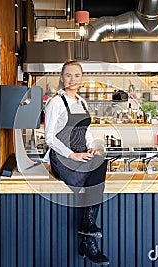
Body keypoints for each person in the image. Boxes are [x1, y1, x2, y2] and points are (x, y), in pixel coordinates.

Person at [44, 60, 109, 265]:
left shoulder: (82, 102)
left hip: (81, 155)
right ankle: (88, 236)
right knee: (97, 169)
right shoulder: (55, 102)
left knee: (99, 161)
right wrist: (72, 155)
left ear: (82, 78)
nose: (73, 79)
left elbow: (86, 131)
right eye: (69, 75)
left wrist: (90, 147)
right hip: (63, 158)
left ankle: (88, 231)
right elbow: (50, 138)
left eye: (77, 75)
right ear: (62, 78)